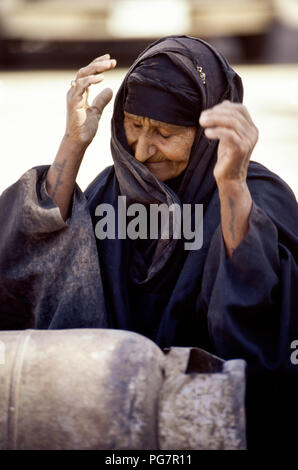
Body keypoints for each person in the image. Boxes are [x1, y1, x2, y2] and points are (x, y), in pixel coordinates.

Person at [0, 36, 297, 448]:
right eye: (134, 125)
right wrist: (74, 142)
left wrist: (230, 185)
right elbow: (33, 254)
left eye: (164, 133)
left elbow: (259, 310)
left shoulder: (259, 193)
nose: (140, 151)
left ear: (208, 133)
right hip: (106, 418)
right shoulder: (113, 190)